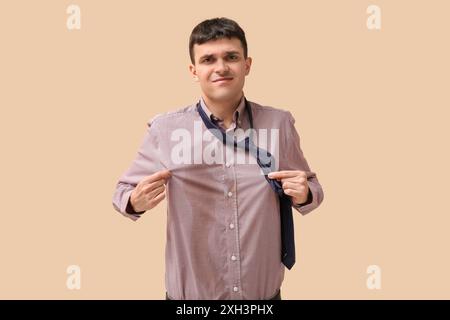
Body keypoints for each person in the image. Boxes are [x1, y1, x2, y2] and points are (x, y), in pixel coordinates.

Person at [112, 17, 324, 300]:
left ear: (247, 64)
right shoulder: (165, 130)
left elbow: (312, 187)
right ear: (194, 70)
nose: (221, 67)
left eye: (231, 57)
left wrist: (305, 193)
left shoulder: (279, 123)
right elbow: (122, 193)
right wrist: (134, 201)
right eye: (208, 59)